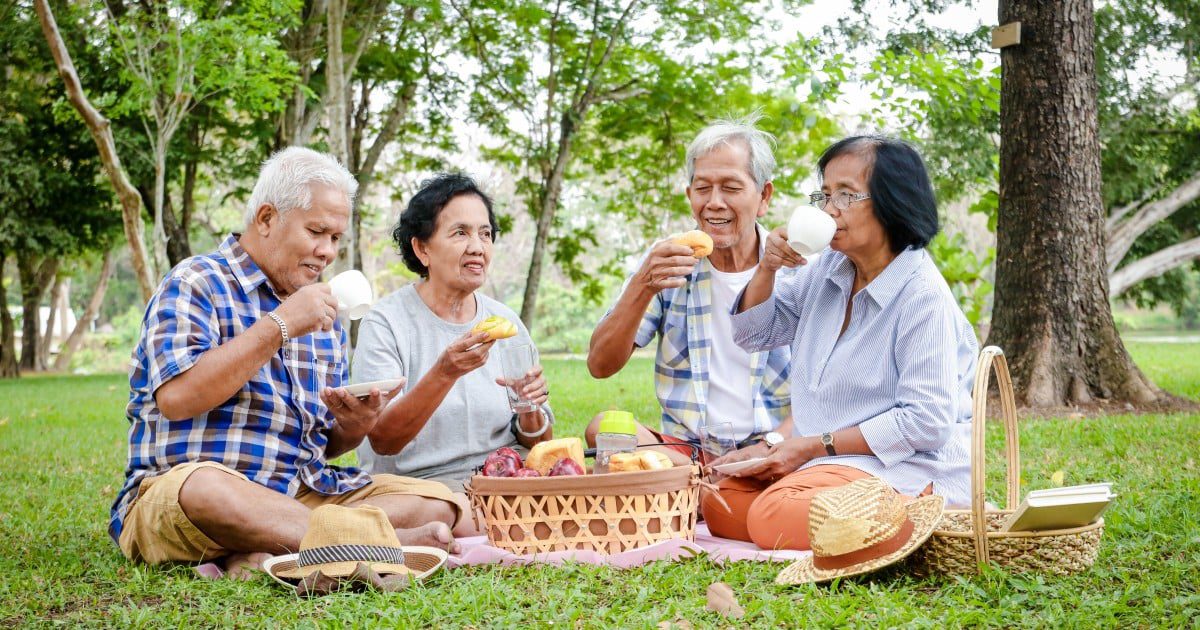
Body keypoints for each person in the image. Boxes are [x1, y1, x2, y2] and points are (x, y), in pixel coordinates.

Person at [112, 147, 460, 578]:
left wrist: (355, 425)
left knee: (438, 502)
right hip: (190, 491)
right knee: (205, 490)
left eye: (336, 238)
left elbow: (323, 445)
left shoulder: (324, 314)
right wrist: (281, 324)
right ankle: (374, 544)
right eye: (316, 231)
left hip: (297, 495)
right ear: (266, 218)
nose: (327, 251)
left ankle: (267, 547)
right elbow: (177, 399)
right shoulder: (195, 282)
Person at [701, 135, 979, 551]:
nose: (830, 209)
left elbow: (927, 422)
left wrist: (810, 447)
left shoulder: (922, 296)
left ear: (892, 203)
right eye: (826, 195)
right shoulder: (828, 269)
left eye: (846, 195)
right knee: (721, 504)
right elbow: (753, 334)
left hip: (902, 466)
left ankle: (926, 515)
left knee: (769, 514)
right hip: (830, 464)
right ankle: (868, 524)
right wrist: (767, 268)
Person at [586, 115, 794, 465]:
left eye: (731, 188)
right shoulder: (666, 261)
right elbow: (599, 365)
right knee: (604, 428)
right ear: (689, 195)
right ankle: (704, 479)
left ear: (764, 196)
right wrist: (642, 285)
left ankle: (700, 486)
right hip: (687, 451)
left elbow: (825, 395)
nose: (714, 202)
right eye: (702, 188)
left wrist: (770, 447)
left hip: (772, 448)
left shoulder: (793, 268)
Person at [353, 173, 553, 532]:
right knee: (432, 510)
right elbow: (383, 439)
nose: (477, 246)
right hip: (423, 490)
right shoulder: (386, 322)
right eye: (460, 232)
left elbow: (539, 444)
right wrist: (444, 372)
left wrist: (530, 409)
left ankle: (479, 522)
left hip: (504, 481)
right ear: (422, 249)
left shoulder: (505, 322)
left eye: (485, 233)